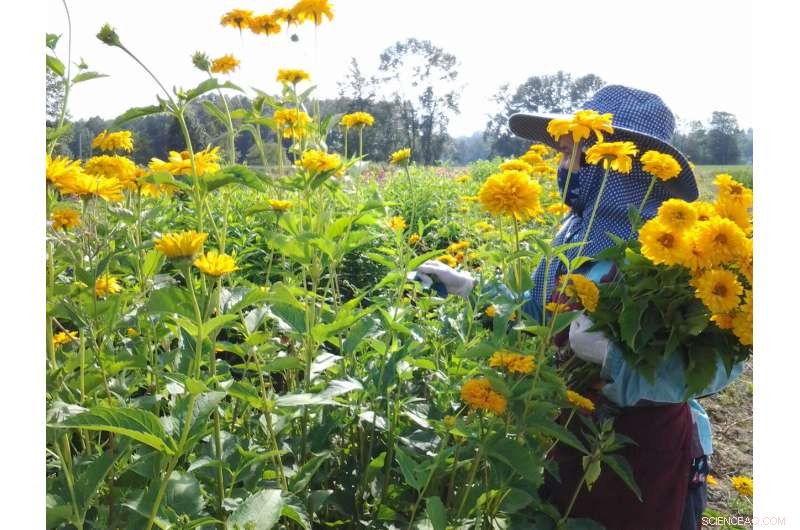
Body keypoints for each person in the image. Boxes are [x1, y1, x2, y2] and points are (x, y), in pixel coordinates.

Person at [415, 85, 746, 530]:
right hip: (568, 434)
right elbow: (535, 322)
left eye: (572, 152)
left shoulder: (684, 250)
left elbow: (720, 366)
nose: (562, 165)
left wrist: (617, 360)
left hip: (647, 456)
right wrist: (472, 292)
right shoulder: (574, 235)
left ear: (612, 164)